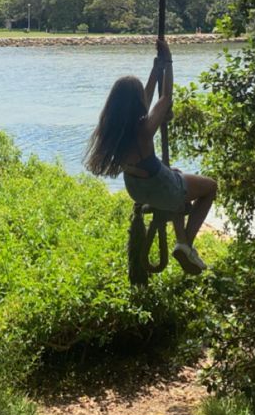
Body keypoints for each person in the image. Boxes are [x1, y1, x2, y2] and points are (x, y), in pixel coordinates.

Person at [85, 39, 217, 274]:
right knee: (209, 188)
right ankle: (185, 243)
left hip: (138, 190)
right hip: (162, 190)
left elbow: (143, 101)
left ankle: (181, 242)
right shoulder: (144, 130)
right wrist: (168, 61)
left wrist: (155, 71)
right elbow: (164, 98)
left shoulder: (114, 132)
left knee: (177, 176)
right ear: (135, 104)